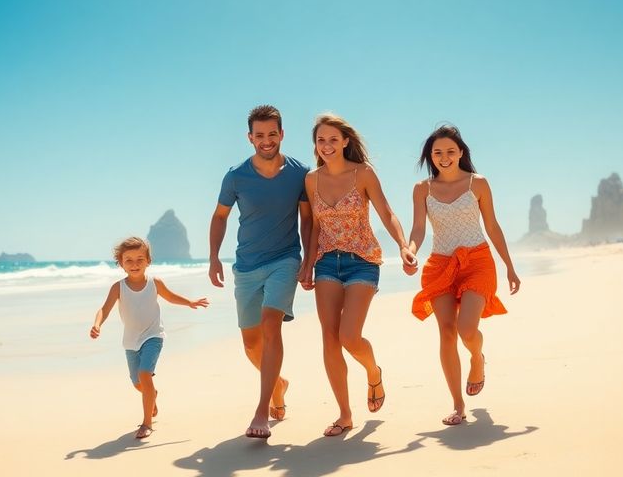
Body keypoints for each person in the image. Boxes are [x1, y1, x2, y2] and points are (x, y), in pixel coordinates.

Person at [297, 113, 417, 437]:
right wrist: (308, 263)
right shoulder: (311, 180)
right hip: (326, 262)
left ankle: (373, 370)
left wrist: (404, 246)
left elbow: (387, 212)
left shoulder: (363, 174)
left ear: (346, 141)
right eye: (321, 140)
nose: (327, 145)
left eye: (333, 139)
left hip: (362, 260)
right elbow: (314, 227)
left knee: (349, 336)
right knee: (329, 337)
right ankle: (345, 414)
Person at [404, 124, 521, 426]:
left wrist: (509, 265)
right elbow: (418, 228)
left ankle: (477, 358)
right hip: (440, 264)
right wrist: (410, 249)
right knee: (446, 332)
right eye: (438, 152)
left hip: (478, 260)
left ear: (461, 153)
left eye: (450, 151)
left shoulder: (477, 184)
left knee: (467, 329)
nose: (444, 157)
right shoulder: (422, 189)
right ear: (430, 156)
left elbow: (492, 226)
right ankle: (458, 405)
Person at [209, 105, 313, 439]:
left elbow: (308, 219)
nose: (266, 141)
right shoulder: (236, 175)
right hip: (246, 266)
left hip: (285, 259)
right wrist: (213, 258)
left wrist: (308, 260)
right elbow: (220, 216)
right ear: (250, 137)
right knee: (251, 345)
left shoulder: (301, 174)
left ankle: (261, 410)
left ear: (281, 134)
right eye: (259, 135)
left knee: (272, 326)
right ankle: (279, 384)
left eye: (272, 134)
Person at [90, 236, 209, 439]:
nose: (135, 264)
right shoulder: (118, 287)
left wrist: (189, 302)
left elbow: (170, 297)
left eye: (140, 259)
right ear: (120, 263)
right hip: (131, 341)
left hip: (153, 336)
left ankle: (146, 423)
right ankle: (152, 396)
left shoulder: (155, 283)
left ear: (148, 261)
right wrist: (97, 324)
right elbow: (104, 309)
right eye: (128, 260)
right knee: (138, 383)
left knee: (145, 375)